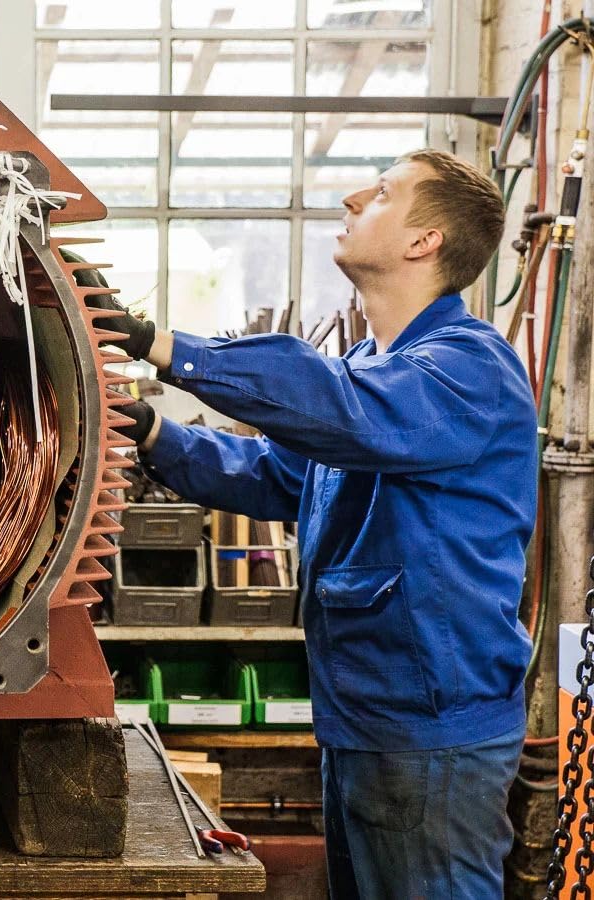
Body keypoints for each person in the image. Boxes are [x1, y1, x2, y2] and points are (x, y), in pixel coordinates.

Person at [95, 149, 534, 897]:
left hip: (432, 733)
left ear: (423, 242)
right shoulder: (373, 365)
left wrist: (152, 342)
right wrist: (146, 428)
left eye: (385, 192)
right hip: (363, 718)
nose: (354, 195)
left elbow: (334, 403)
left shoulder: (467, 367)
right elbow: (273, 474)